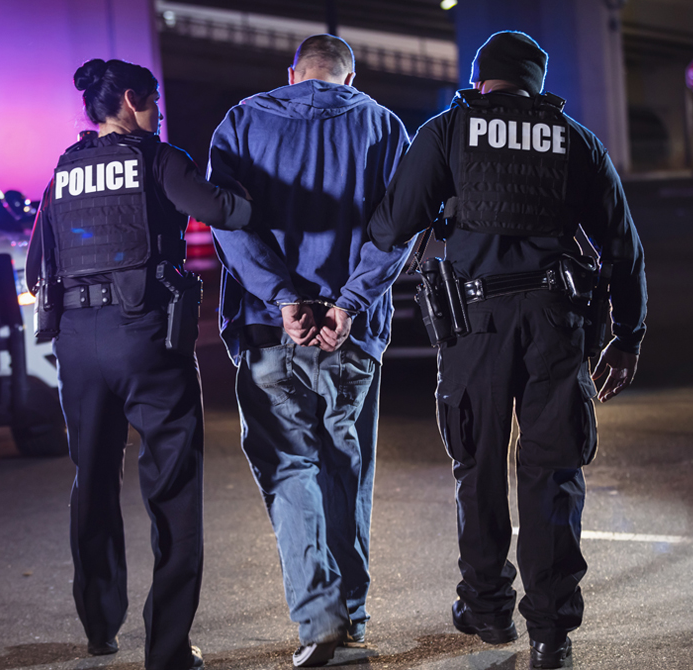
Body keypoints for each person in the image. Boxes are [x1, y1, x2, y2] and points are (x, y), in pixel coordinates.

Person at [368, 31, 647, 669]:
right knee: (553, 474)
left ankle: (488, 610)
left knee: (479, 463)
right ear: (536, 83)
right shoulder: (574, 139)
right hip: (557, 323)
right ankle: (551, 632)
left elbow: (391, 224)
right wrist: (628, 336)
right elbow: (623, 247)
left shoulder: (448, 131)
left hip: (476, 323)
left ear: (481, 77)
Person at [26, 58, 250, 670]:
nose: (156, 113)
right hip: (146, 337)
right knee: (172, 488)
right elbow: (224, 210)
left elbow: (34, 265)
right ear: (130, 100)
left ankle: (99, 626)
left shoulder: (63, 171)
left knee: (92, 479)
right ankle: (168, 649)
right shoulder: (156, 156)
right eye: (152, 102)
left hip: (77, 343)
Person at [207, 35, 413, 667]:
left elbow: (225, 219)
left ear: (291, 73)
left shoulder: (242, 121)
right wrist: (349, 302)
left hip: (273, 331)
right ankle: (351, 614)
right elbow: (398, 225)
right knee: (345, 469)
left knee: (291, 471)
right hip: (350, 333)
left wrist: (280, 296)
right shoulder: (381, 125)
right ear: (351, 78)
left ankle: (321, 623)